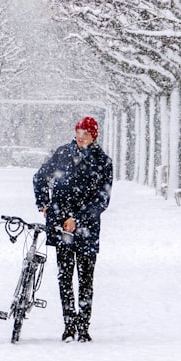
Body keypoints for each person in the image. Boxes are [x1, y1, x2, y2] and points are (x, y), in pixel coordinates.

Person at [33, 116, 113, 342]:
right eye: (78, 132)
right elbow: (39, 178)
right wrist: (44, 204)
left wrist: (77, 219)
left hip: (87, 229)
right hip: (61, 227)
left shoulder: (103, 162)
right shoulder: (62, 154)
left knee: (86, 279)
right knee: (65, 277)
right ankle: (69, 324)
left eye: (85, 133)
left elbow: (102, 200)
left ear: (94, 136)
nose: (80, 137)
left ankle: (83, 326)